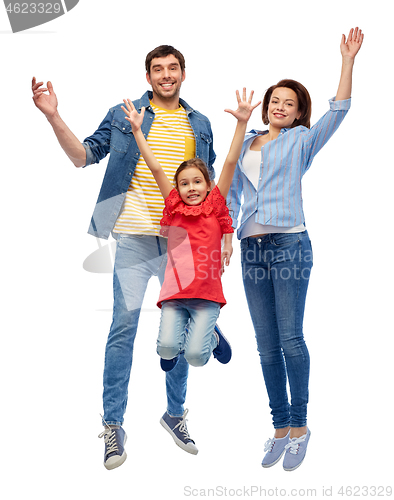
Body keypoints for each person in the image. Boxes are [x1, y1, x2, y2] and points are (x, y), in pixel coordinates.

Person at [32, 45, 221, 469]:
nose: (166, 75)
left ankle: (174, 415)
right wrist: (52, 115)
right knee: (124, 326)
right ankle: (113, 425)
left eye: (173, 68)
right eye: (158, 69)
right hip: (134, 236)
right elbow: (83, 156)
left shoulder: (202, 123)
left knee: (181, 330)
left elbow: (207, 191)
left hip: (182, 243)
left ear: (184, 74)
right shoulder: (125, 114)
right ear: (148, 75)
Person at [226, 28, 364, 471]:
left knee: (290, 339)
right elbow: (228, 193)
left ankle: (301, 427)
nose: (279, 107)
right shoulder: (247, 143)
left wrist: (347, 61)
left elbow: (338, 110)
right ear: (265, 107)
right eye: (274, 101)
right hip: (252, 247)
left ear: (298, 111)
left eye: (289, 103)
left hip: (290, 245)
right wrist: (228, 233)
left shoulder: (303, 141)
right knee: (265, 345)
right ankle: (280, 428)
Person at [121, 89, 260, 373]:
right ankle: (181, 339)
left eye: (198, 182)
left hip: (206, 295)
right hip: (174, 293)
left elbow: (231, 162)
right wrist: (137, 131)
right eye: (184, 184)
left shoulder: (214, 204)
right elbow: (157, 168)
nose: (191, 188)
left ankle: (212, 337)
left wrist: (241, 123)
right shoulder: (173, 206)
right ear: (178, 189)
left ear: (208, 186)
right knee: (167, 351)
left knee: (197, 357)